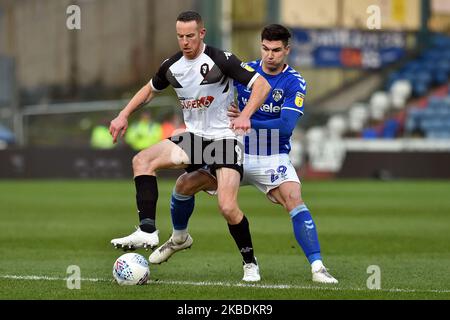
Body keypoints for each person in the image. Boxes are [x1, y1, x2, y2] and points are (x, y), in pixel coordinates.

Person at [149, 24, 338, 284]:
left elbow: (285, 126)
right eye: (265, 48)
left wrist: (246, 120)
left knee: (294, 199)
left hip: (271, 153)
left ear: (287, 50)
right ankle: (179, 238)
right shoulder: (245, 70)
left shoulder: (294, 81)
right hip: (233, 149)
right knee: (184, 184)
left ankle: (318, 268)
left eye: (276, 50)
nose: (270, 55)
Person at [109, 11, 271, 282]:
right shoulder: (172, 66)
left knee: (227, 207)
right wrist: (124, 114)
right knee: (142, 161)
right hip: (194, 138)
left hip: (224, 139)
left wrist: (245, 115)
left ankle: (250, 262)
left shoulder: (222, 59)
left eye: (190, 36)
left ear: (202, 34)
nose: (185, 42)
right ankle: (149, 230)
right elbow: (149, 90)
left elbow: (261, 86)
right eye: (180, 36)